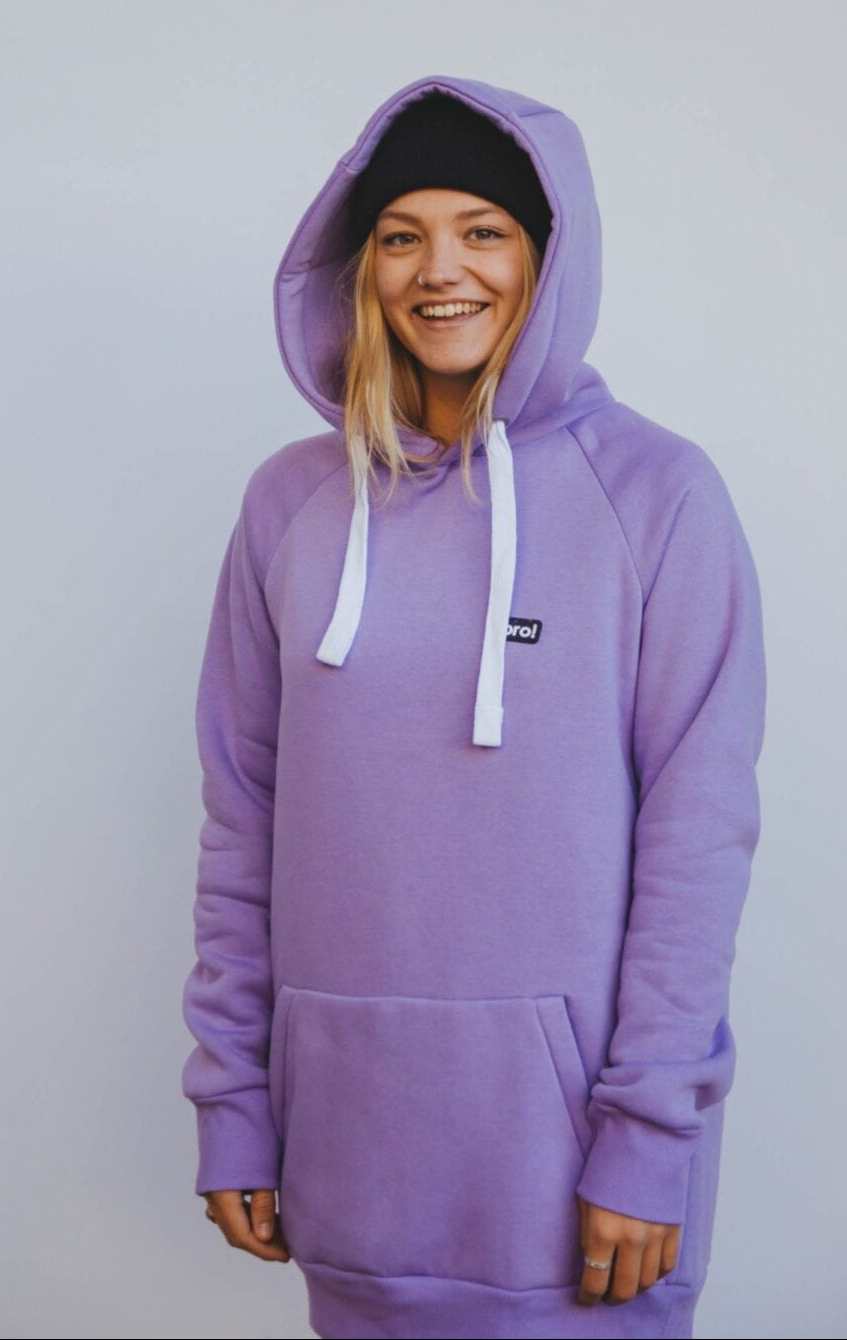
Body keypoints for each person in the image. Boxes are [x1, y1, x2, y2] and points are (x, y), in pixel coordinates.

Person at [181, 74, 766, 1340]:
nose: (440, 270)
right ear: (362, 265)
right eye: (402, 235)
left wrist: (649, 1132)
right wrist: (233, 1098)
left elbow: (697, 838)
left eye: (482, 230)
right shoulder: (289, 506)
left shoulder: (658, 496)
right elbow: (242, 822)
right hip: (349, 1166)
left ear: (549, 257)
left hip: (575, 1188)